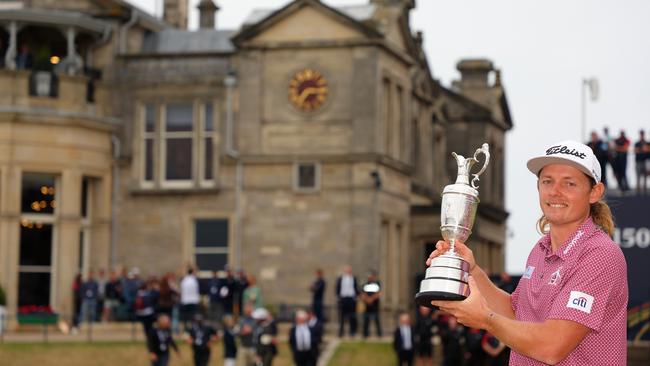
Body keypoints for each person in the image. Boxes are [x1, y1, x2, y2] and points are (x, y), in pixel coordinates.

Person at [428, 140, 628, 365]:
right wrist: (471, 270)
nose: (555, 191)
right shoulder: (540, 249)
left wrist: (485, 319)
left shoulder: (600, 254)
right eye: (547, 181)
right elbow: (515, 314)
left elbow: (552, 346)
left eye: (569, 183)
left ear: (595, 192)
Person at [335, 265, 359, 337]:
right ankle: (341, 332)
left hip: (351, 299)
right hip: (343, 298)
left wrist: (357, 296)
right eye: (347, 270)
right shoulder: (340, 278)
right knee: (342, 316)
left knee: (352, 316)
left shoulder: (354, 278)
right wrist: (338, 297)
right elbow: (337, 288)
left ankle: (352, 332)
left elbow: (356, 288)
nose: (348, 271)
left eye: (349, 270)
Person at [361, 270, 382, 338]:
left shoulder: (377, 284)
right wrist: (367, 300)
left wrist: (371, 299)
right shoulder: (365, 284)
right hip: (367, 306)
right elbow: (363, 294)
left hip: (375, 305)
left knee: (376, 320)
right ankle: (365, 334)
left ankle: (379, 334)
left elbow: (379, 293)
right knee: (366, 320)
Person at [634, 129, 648, 194]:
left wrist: (644, 149)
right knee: (638, 177)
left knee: (645, 177)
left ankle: (645, 191)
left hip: (645, 161)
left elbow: (647, 150)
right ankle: (638, 191)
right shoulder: (637, 143)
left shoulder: (647, 143)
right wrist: (642, 149)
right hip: (638, 162)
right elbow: (636, 150)